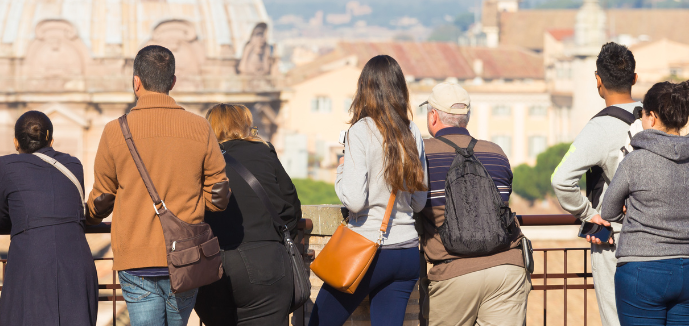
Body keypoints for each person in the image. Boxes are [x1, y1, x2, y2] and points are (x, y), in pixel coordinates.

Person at [86, 45, 230, 326]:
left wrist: (90, 216)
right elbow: (217, 197)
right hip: (186, 256)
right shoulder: (200, 127)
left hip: (135, 257)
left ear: (135, 81)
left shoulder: (115, 130)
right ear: (172, 82)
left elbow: (102, 198)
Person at [310, 55, 428, 326]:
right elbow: (419, 202)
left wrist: (341, 168)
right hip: (407, 252)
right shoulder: (413, 131)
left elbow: (353, 200)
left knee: (318, 322)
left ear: (365, 88)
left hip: (369, 251)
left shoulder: (361, 131)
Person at [419, 82, 530, 326]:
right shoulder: (496, 152)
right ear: (465, 118)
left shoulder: (422, 154)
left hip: (453, 271)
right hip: (507, 267)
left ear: (433, 116)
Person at [551, 42, 640, 326]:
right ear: (635, 78)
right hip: (663, 240)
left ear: (598, 81)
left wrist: (589, 215)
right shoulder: (655, 116)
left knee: (617, 318)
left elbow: (561, 180)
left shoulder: (599, 127)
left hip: (615, 239)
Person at [0, 111, 97, 326]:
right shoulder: (74, 165)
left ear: (16, 142)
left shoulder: (6, 166)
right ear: (51, 140)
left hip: (31, 258)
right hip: (75, 259)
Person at [195, 104, 303, 326]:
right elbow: (290, 205)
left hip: (213, 262)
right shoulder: (263, 151)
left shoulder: (201, 158)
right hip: (266, 260)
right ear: (244, 125)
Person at [601, 81, 689, 326]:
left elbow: (608, 210)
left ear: (651, 117)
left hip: (642, 270)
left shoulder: (635, 160)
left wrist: (631, 213)